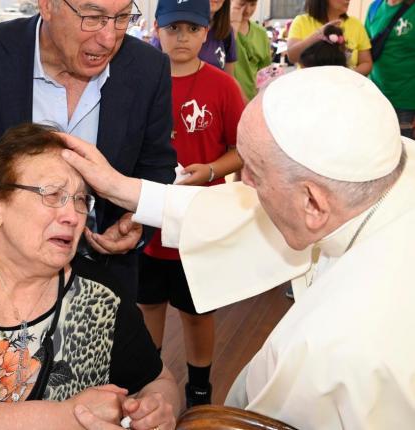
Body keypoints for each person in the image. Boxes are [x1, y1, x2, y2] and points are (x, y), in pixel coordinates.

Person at [59, 66, 415, 429]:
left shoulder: (341, 350)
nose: (242, 185)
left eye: (254, 175)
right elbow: (236, 208)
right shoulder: (386, 164)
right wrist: (122, 187)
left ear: (313, 203)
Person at [0, 123, 179, 430]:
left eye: (81, 200)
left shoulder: (101, 297)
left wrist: (158, 406)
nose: (72, 215)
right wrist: (66, 416)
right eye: (52, 194)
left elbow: (158, 381)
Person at [0, 0, 177, 296]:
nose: (109, 38)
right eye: (92, 17)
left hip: (103, 281)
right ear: (47, 6)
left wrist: (137, 221)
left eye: (123, 17)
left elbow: (157, 164)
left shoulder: (148, 68)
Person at [141, 0, 244, 409]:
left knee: (196, 308)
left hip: (200, 219)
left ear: (207, 32)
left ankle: (199, 389)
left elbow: (241, 149)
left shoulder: (222, 86)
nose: (181, 37)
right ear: (156, 29)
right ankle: (148, 376)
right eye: (172, 28)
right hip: (149, 212)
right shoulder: (142, 81)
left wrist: (212, 170)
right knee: (148, 301)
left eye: (191, 28)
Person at [365, 0, 415, 138]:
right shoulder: (374, 8)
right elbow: (365, 49)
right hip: (375, 99)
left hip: (407, 104)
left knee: (406, 155)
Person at [151, 0, 238, 74]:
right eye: (174, 27)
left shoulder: (226, 31)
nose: (183, 38)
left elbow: (229, 76)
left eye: (193, 29)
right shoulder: (164, 36)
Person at [287, 0, 373, 75]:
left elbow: (366, 62)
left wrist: (346, 76)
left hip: (344, 89)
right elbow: (292, 56)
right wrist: (317, 35)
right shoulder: (301, 22)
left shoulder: (355, 24)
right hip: (309, 88)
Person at [230, 0, 272, 100]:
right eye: (241, 4)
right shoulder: (220, 31)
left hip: (252, 101)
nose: (248, 10)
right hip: (227, 99)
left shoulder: (261, 33)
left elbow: (264, 73)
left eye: (253, 4)